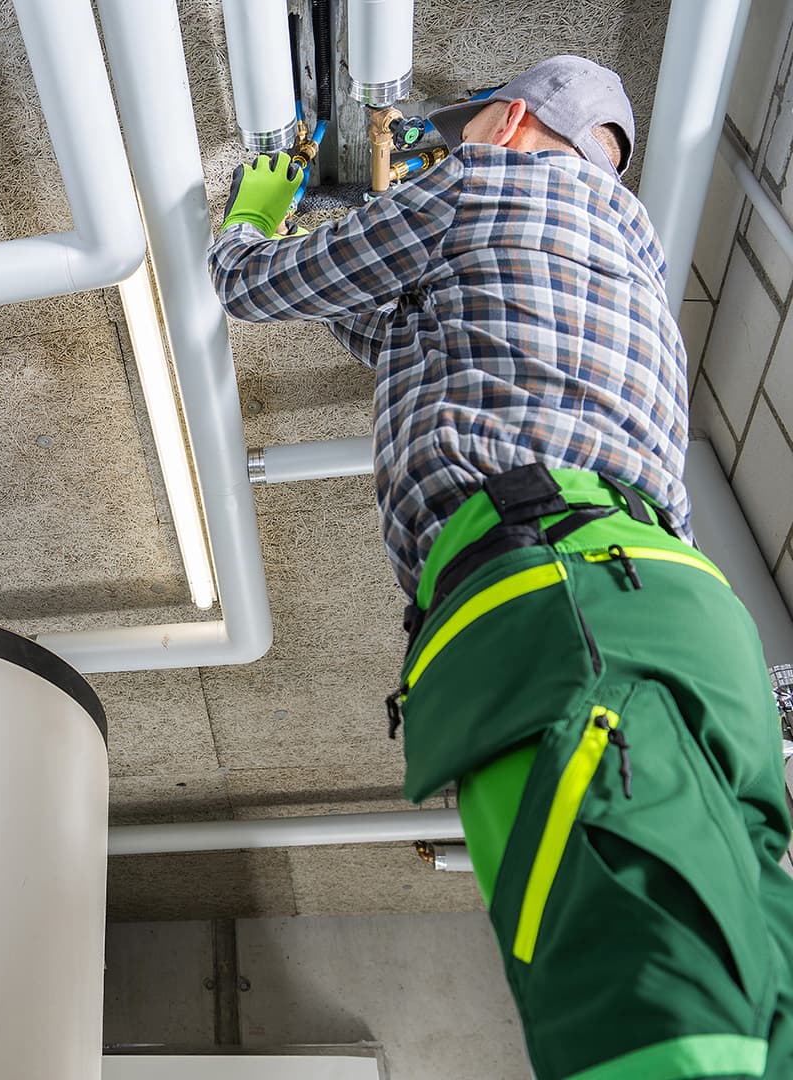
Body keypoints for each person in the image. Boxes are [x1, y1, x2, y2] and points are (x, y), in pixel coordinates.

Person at [208, 54, 793, 1079]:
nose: (451, 149)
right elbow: (414, 333)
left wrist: (249, 221)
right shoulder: (628, 250)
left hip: (566, 605)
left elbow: (255, 286)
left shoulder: (481, 182)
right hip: (651, 610)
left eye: (464, 130)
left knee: (654, 996)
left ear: (512, 120)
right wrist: (328, 240)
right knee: (744, 980)